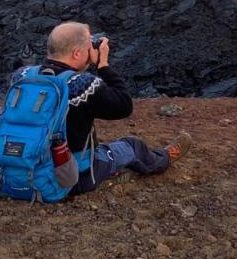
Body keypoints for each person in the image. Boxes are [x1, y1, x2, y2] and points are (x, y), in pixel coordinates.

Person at [38, 22, 191, 193]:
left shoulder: (22, 77)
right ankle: (164, 159)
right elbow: (124, 106)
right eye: (90, 44)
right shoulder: (81, 85)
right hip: (71, 179)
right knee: (132, 146)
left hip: (24, 172)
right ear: (76, 53)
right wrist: (103, 65)